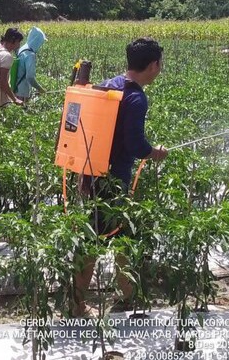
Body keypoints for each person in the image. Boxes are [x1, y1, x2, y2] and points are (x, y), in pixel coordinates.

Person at [73, 37, 169, 318]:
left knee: (123, 234)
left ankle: (129, 295)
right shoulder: (136, 98)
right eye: (160, 64)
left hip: (92, 171)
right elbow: (135, 145)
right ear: (153, 65)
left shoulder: (110, 84)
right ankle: (76, 304)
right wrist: (154, 152)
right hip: (112, 179)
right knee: (94, 239)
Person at [0, 28, 24, 110]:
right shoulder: (7, 56)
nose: (19, 45)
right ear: (13, 41)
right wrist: (15, 99)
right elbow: (3, 81)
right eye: (18, 42)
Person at [15, 27, 46, 102]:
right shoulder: (30, 54)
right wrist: (40, 89)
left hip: (15, 86)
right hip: (22, 91)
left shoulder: (22, 48)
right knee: (21, 111)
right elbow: (30, 77)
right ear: (37, 41)